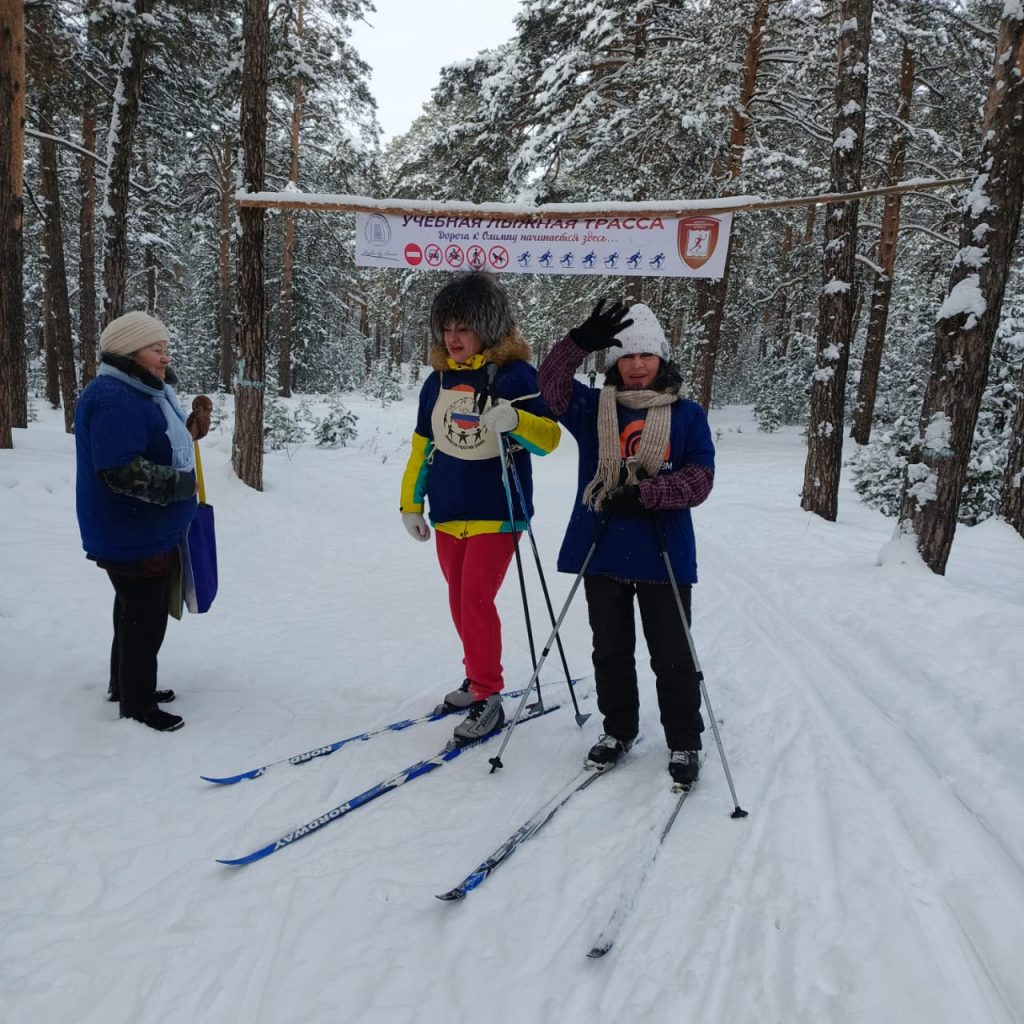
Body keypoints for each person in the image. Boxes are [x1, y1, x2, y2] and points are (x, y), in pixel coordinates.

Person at [537, 300, 715, 787]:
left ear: (662, 359)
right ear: (613, 362)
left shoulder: (687, 414)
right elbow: (548, 387)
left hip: (664, 552)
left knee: (672, 654)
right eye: (626, 356)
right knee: (609, 651)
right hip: (605, 549)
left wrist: (649, 494)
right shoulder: (594, 408)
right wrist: (576, 343)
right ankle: (619, 729)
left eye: (646, 356)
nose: (637, 365)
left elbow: (701, 478)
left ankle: (684, 738)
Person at [400, 273, 561, 745]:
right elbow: (421, 447)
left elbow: (549, 440)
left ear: (487, 329)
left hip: (498, 510)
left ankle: (489, 695)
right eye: (447, 327)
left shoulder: (516, 377)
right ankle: (476, 677)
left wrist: (516, 420)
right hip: (449, 510)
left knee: (474, 599)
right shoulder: (439, 381)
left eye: (464, 327)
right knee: (459, 600)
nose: (453, 338)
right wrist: (411, 503)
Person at [74, 311, 209, 732]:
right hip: (130, 532)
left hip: (139, 530)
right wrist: (181, 485)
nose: (164, 357)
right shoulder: (114, 398)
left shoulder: (139, 391)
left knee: (132, 608)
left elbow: (154, 441)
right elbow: (118, 470)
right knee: (145, 617)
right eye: (156, 349)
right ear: (129, 351)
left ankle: (126, 685)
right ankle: (137, 704)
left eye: (166, 348)